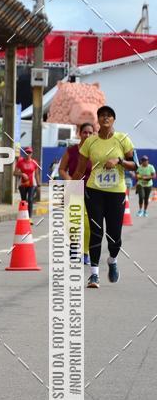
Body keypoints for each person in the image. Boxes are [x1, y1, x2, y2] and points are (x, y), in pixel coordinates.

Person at [72, 105, 136, 288]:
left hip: (116, 193)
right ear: (98, 120)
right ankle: (94, 274)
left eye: (109, 116)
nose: (105, 118)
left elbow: (135, 165)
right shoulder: (90, 142)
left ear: (113, 120)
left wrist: (119, 161)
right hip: (94, 191)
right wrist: (68, 192)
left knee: (114, 236)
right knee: (96, 231)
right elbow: (79, 170)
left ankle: (112, 260)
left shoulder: (122, 139)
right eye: (102, 116)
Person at [58, 122, 93, 264]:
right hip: (73, 191)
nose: (88, 135)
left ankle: (85, 253)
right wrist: (70, 180)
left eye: (91, 133)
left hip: (91, 192)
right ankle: (73, 246)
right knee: (71, 223)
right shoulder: (71, 151)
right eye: (85, 132)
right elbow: (61, 169)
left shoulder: (95, 152)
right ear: (80, 133)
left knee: (88, 224)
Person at [14, 146, 41, 221]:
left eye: (29, 152)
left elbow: (37, 174)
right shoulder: (20, 162)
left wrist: (38, 185)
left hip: (32, 184)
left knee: (30, 200)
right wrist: (22, 174)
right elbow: (15, 172)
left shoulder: (34, 162)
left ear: (32, 154)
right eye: (26, 152)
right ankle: (23, 216)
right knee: (23, 200)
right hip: (22, 184)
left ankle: (29, 217)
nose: (28, 154)